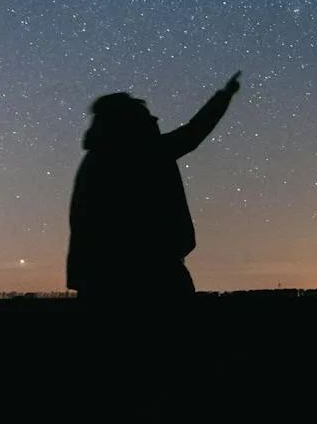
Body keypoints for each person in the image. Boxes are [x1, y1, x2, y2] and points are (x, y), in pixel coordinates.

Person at [67, 71, 240, 310]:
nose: (155, 119)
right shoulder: (140, 152)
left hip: (100, 277)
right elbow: (193, 133)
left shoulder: (97, 158)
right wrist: (224, 96)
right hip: (151, 272)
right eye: (146, 116)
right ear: (128, 122)